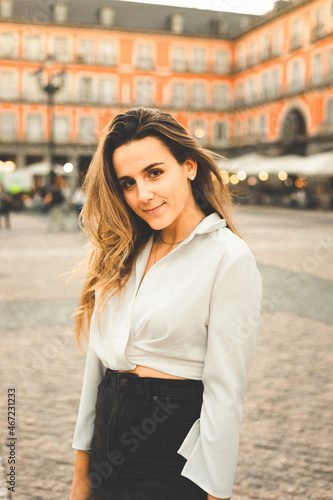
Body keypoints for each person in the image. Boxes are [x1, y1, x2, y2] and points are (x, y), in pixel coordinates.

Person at [69, 107, 263, 500]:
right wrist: (80, 475)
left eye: (154, 172)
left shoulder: (229, 258)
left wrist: (217, 493)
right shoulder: (122, 249)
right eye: (127, 182)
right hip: (106, 438)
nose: (142, 195)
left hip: (170, 454)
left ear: (188, 166)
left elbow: (225, 392)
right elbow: (97, 365)